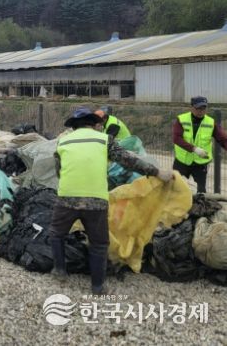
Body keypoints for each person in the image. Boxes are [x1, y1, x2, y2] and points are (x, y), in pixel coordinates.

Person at [50, 107, 173, 294]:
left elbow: (59, 171)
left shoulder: (62, 141)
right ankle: (97, 286)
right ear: (94, 124)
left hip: (66, 198)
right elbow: (128, 161)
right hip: (96, 200)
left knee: (57, 234)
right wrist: (156, 172)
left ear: (73, 127)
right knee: (99, 243)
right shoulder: (104, 140)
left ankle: (59, 271)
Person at [172, 96, 227, 193]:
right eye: (198, 108)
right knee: (174, 188)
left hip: (200, 164)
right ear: (192, 107)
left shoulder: (210, 122)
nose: (201, 111)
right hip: (182, 162)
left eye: (204, 108)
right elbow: (176, 139)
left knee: (201, 191)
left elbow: (223, 139)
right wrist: (194, 149)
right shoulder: (182, 119)